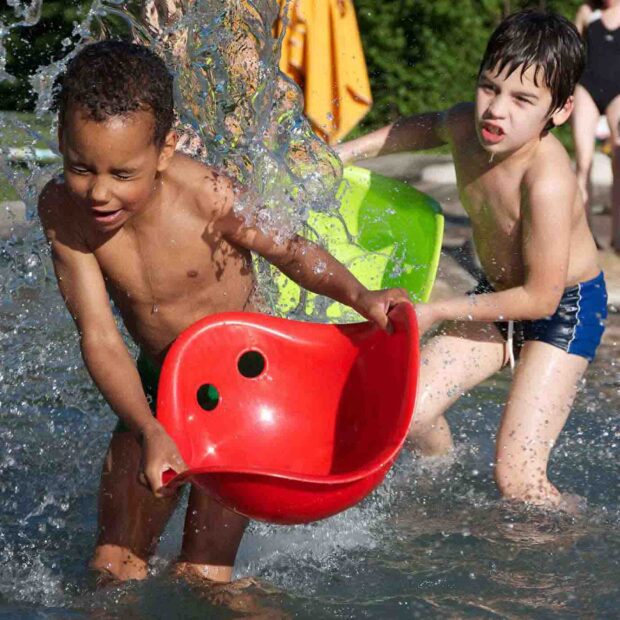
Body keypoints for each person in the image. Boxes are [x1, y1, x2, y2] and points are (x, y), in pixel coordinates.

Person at [38, 40, 409, 585]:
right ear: (61, 140)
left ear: (165, 151)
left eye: (123, 173)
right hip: (157, 386)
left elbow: (291, 251)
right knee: (112, 570)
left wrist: (360, 296)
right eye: (80, 167)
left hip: (242, 390)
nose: (99, 191)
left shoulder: (206, 196)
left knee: (203, 574)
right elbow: (99, 337)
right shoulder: (63, 211)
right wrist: (148, 428)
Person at [336, 10, 608, 508]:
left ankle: (568, 534)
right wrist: (343, 153)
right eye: (489, 87)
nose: (496, 110)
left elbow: (540, 299)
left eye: (522, 99)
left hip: (562, 310)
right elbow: (421, 128)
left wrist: (438, 310)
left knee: (518, 480)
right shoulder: (466, 124)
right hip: (501, 295)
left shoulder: (547, 181)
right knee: (406, 414)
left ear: (561, 110)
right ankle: (441, 475)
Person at [572, 0, 620, 251]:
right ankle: (584, 234)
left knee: (619, 160)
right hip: (587, 89)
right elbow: (567, 50)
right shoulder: (587, 12)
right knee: (583, 163)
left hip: (617, 93)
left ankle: (618, 236)